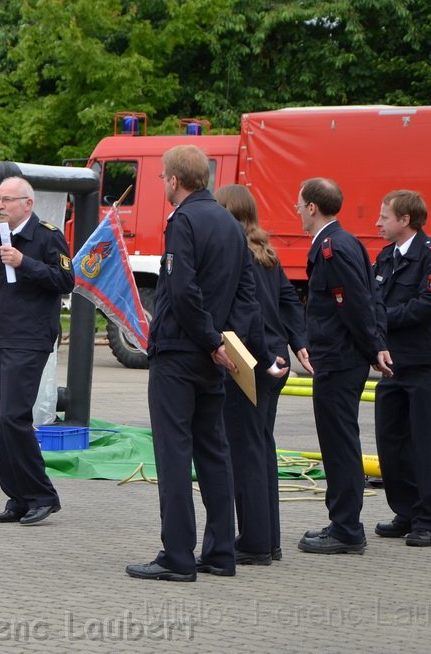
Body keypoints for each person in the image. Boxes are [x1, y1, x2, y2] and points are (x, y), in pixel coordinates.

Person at [125, 147, 283, 582]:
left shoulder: (184, 221)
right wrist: (226, 344)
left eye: (162, 179)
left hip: (180, 353)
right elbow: (247, 296)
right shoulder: (233, 226)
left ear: (175, 181)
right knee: (215, 453)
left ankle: (177, 555)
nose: (162, 184)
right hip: (215, 358)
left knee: (174, 453)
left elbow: (181, 290)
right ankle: (219, 552)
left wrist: (211, 339)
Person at [216, 184, 312, 565]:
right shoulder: (267, 253)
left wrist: (260, 357)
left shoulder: (235, 253)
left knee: (245, 452)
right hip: (275, 359)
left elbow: (248, 313)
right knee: (261, 446)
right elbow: (289, 299)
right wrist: (296, 342)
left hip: (250, 360)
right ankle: (267, 539)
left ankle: (255, 542)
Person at [0, 176, 73, 525]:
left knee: (14, 417)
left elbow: (66, 281)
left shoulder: (47, 235)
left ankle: (43, 494)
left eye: (7, 200)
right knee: (0, 422)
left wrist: (23, 262)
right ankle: (17, 497)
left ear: (27, 203)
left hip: (30, 338)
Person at [296, 177, 392, 555]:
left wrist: (373, 349)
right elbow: (373, 298)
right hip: (342, 356)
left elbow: (353, 304)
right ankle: (343, 522)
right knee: (340, 441)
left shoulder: (332, 247)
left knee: (339, 445)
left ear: (312, 208)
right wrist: (376, 346)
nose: (296, 209)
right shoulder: (345, 242)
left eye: (299, 203)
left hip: (339, 359)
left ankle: (347, 528)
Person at [372, 190, 431, 548]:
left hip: (425, 362)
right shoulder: (386, 257)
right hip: (394, 364)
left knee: (422, 440)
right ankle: (404, 511)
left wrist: (384, 320)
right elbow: (372, 299)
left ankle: (427, 520)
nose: (378, 222)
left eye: (385, 216)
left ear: (405, 220)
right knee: (390, 440)